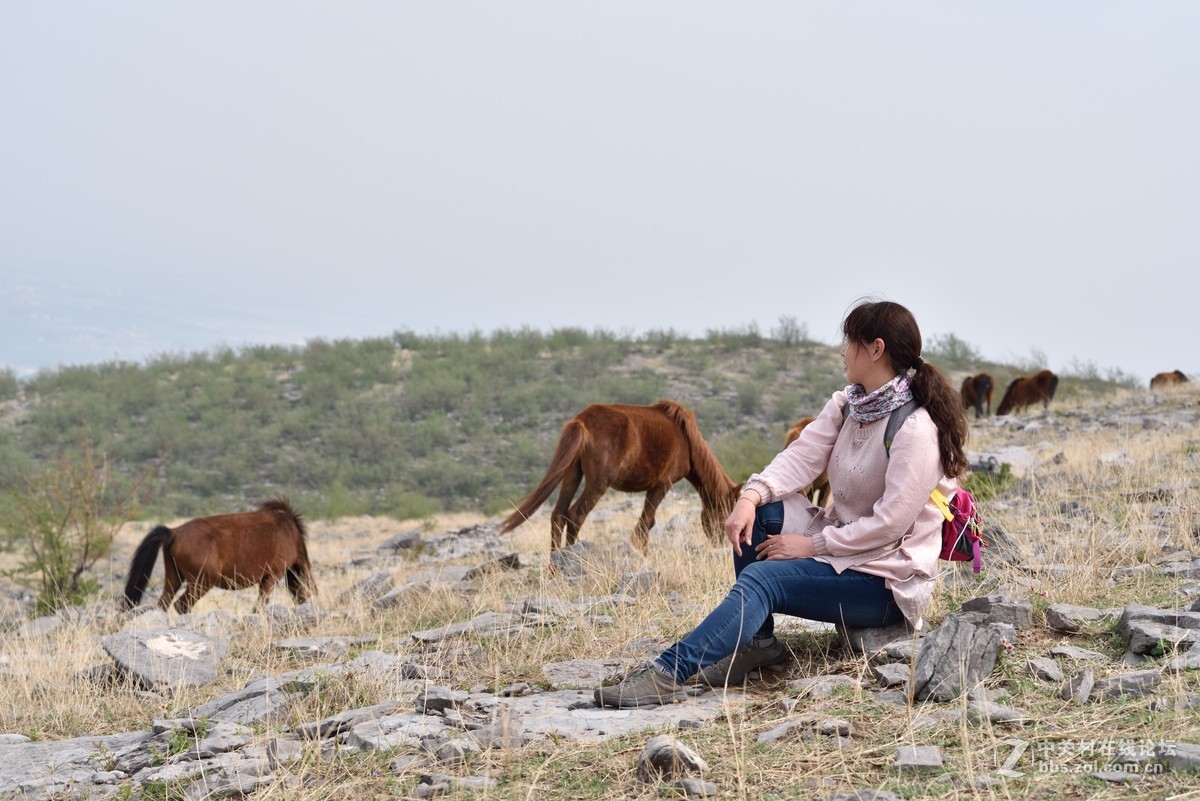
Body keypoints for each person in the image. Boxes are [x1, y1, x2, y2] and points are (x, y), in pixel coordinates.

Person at [594, 299, 969, 708]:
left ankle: (668, 673)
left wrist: (812, 547)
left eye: (849, 341)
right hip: (844, 552)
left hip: (883, 582)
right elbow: (800, 457)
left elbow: (890, 525)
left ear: (875, 349)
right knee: (763, 514)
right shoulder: (849, 405)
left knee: (763, 579)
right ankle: (758, 644)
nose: (842, 351)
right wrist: (749, 497)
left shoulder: (914, 429)